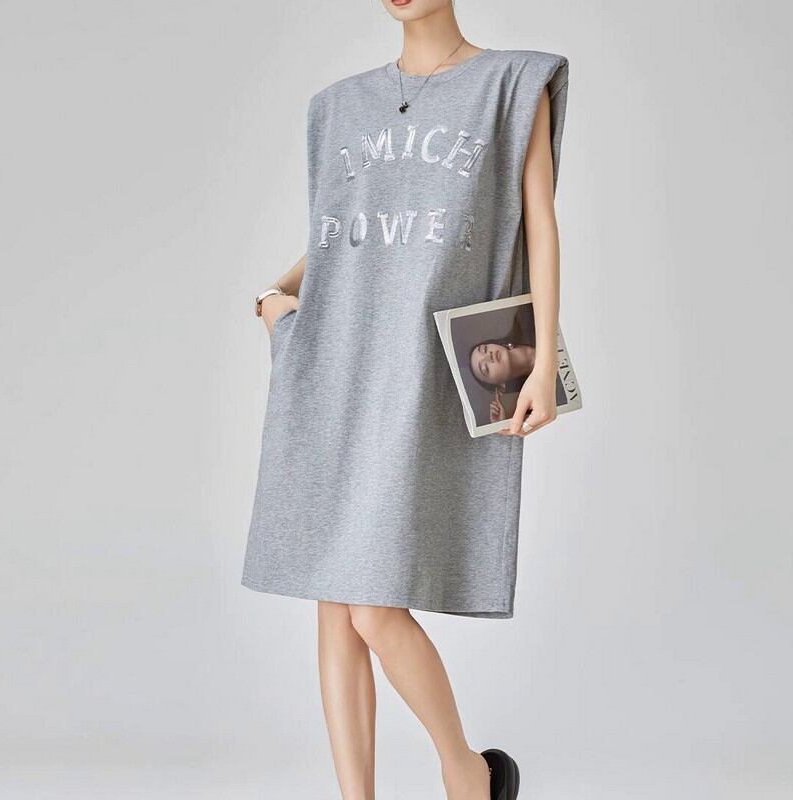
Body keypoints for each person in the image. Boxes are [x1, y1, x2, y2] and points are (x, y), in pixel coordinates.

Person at [243, 1, 570, 798]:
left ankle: (465, 771)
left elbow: (538, 223)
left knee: (371, 606)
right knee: (335, 602)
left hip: (420, 368)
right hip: (334, 358)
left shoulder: (513, 83)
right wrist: (277, 296)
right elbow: (343, 225)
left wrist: (539, 362)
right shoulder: (337, 106)